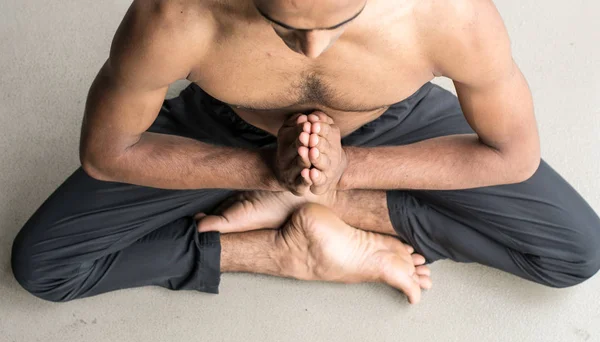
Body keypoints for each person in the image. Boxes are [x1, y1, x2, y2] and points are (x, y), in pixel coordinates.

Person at [11, 0, 600, 304]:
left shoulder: (449, 14)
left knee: (576, 253)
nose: (313, 49)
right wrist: (268, 170)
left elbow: (511, 155)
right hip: (227, 130)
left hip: (390, 126)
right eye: (284, 25)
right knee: (45, 268)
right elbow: (108, 153)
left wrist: (342, 173)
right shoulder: (174, 15)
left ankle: (339, 213)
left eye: (338, 22)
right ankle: (280, 248)